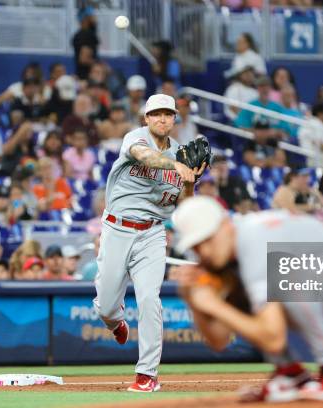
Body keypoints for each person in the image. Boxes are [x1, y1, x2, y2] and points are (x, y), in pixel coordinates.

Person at [170, 196, 323, 402]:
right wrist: (194, 300)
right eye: (196, 246)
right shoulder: (231, 253)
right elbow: (219, 340)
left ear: (225, 225)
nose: (204, 251)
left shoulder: (253, 239)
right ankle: (289, 373)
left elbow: (273, 338)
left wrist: (214, 304)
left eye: (207, 239)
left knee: (288, 272)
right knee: (245, 295)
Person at [93, 93, 203, 392]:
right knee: (104, 305)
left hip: (153, 234)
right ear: (147, 118)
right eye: (156, 114)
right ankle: (115, 322)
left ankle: (147, 375)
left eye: (168, 114)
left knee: (149, 299)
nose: (162, 118)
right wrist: (176, 165)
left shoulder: (182, 153)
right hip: (117, 228)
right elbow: (145, 157)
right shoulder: (135, 137)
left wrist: (190, 183)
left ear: (174, 119)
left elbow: (183, 207)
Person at [72, 6, 99, 79]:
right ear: (86, 19)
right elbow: (84, 59)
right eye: (92, 16)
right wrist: (101, 66)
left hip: (83, 76)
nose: (95, 19)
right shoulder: (86, 35)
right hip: (87, 78)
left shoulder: (79, 35)